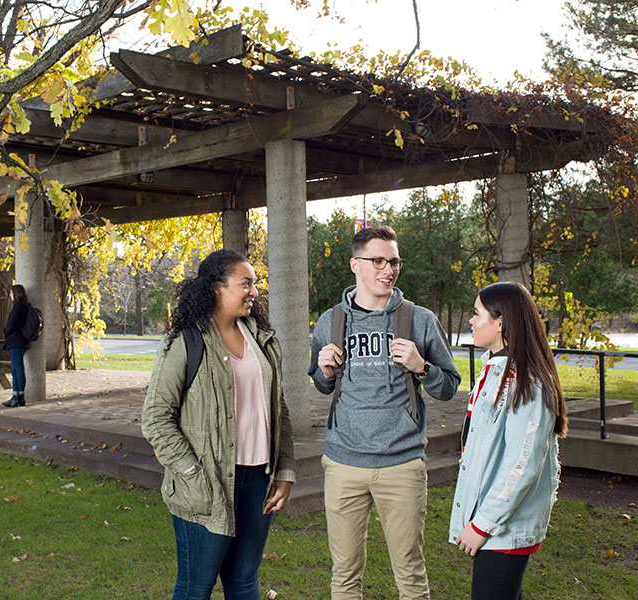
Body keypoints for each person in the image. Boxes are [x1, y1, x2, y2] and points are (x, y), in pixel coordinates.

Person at [309, 225, 461, 600]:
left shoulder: (419, 319)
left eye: (393, 261)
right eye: (377, 260)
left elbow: (449, 387)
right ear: (355, 265)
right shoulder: (331, 321)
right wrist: (324, 371)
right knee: (344, 576)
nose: (387, 269)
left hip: (402, 464)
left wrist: (421, 366)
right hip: (343, 463)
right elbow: (323, 385)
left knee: (410, 575)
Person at [141, 249, 296, 600]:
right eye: (246, 283)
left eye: (254, 284)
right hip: (206, 482)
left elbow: (279, 408)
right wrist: (193, 475)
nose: (254, 291)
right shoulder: (185, 342)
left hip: (258, 480)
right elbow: (155, 419)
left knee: (243, 583)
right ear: (216, 288)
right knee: (197, 586)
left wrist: (285, 470)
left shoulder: (262, 340)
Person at [449, 281, 568, 599]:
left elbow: (523, 461)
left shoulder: (527, 382)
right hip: (494, 526)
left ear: (500, 322)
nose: (471, 321)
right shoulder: (496, 368)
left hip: (504, 528)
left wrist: (482, 524)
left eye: (477, 314)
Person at [2, 284, 29, 408]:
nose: (10, 295)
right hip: (21, 340)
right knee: (16, 368)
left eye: (11, 293)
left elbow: (11, 324)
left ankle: (17, 396)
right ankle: (18, 396)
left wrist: (6, 332)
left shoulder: (18, 307)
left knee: (17, 369)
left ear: (15, 294)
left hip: (15, 340)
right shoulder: (25, 307)